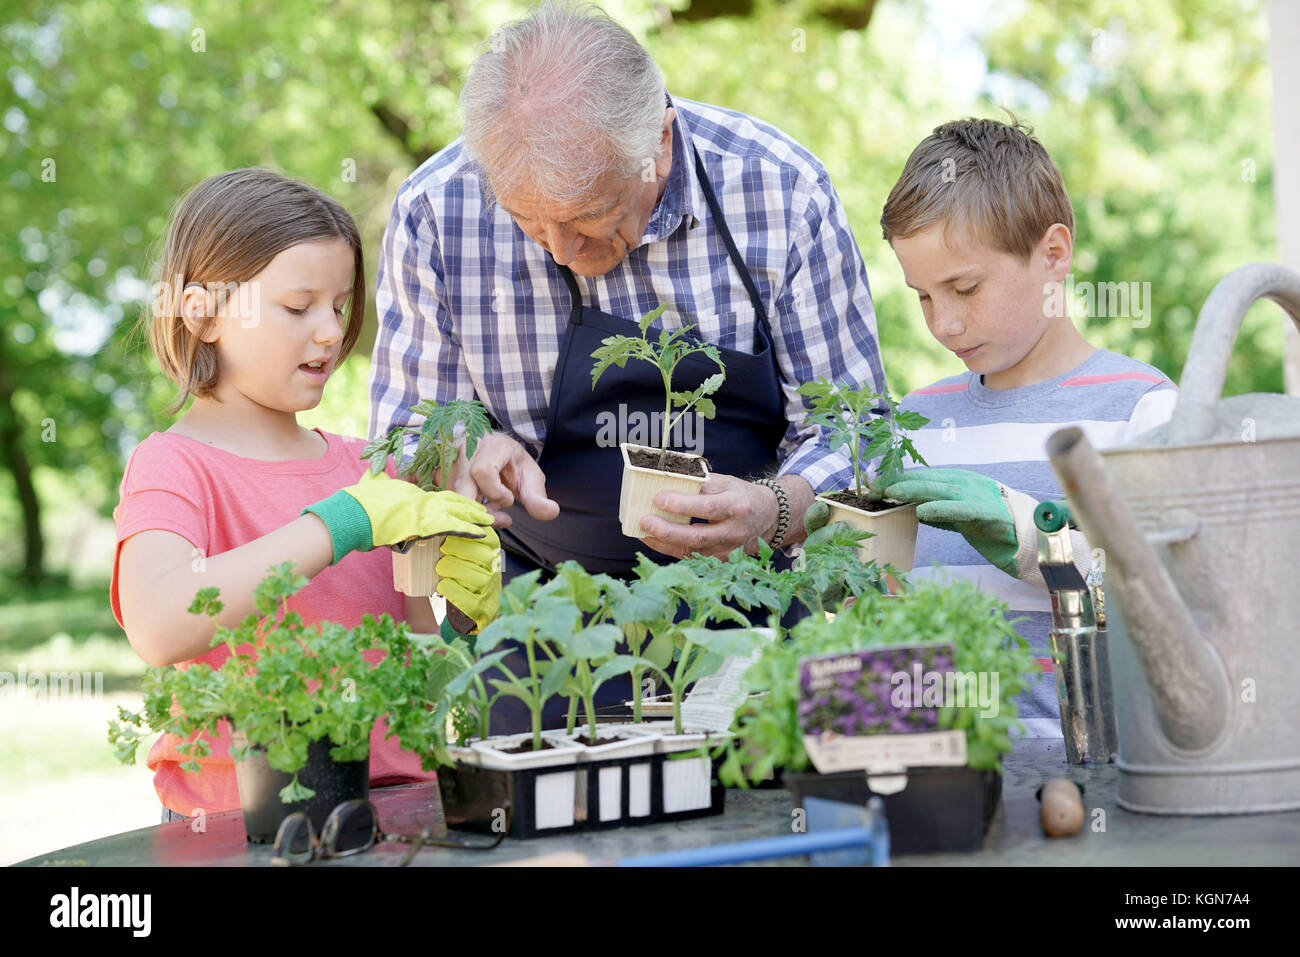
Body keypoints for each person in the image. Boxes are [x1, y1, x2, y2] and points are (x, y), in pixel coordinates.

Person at [369, 1, 888, 586]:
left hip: (749, 594)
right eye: (529, 222)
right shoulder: (438, 211)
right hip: (535, 615)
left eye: (590, 216)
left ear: (659, 145)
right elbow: (404, 437)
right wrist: (470, 453)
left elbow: (860, 429)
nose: (562, 251)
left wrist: (776, 508)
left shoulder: (781, 192)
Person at [111, 167, 501, 822]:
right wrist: (342, 522)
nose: (329, 331)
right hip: (239, 827)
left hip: (393, 809)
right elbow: (157, 622)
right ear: (203, 313)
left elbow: (421, 676)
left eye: (340, 306)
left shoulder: (366, 468)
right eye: (298, 307)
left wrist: (461, 615)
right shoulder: (173, 466)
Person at [876, 118, 1178, 735]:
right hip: (947, 776)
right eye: (924, 296)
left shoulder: (1140, 412)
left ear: (1054, 254)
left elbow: (1175, 614)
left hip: (1096, 783)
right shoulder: (918, 423)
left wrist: (1040, 544)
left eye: (965, 288)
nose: (945, 325)